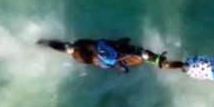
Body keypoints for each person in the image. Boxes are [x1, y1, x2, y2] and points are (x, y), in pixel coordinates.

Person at [37, 36, 168, 73]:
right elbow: (123, 68)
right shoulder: (121, 59)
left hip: (107, 51)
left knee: (115, 46)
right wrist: (123, 68)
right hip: (106, 58)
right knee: (109, 64)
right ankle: (64, 47)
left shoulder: (119, 52)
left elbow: (122, 43)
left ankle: (59, 45)